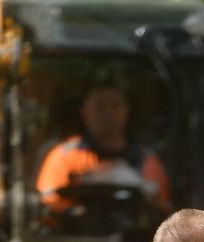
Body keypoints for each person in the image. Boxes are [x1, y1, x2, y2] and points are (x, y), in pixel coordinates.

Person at [35, 82, 171, 228]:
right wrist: (75, 213)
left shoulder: (146, 159)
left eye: (116, 106)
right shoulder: (64, 156)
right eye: (100, 107)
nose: (108, 113)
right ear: (85, 113)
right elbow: (47, 201)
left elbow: (161, 206)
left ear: (127, 111)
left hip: (132, 240)